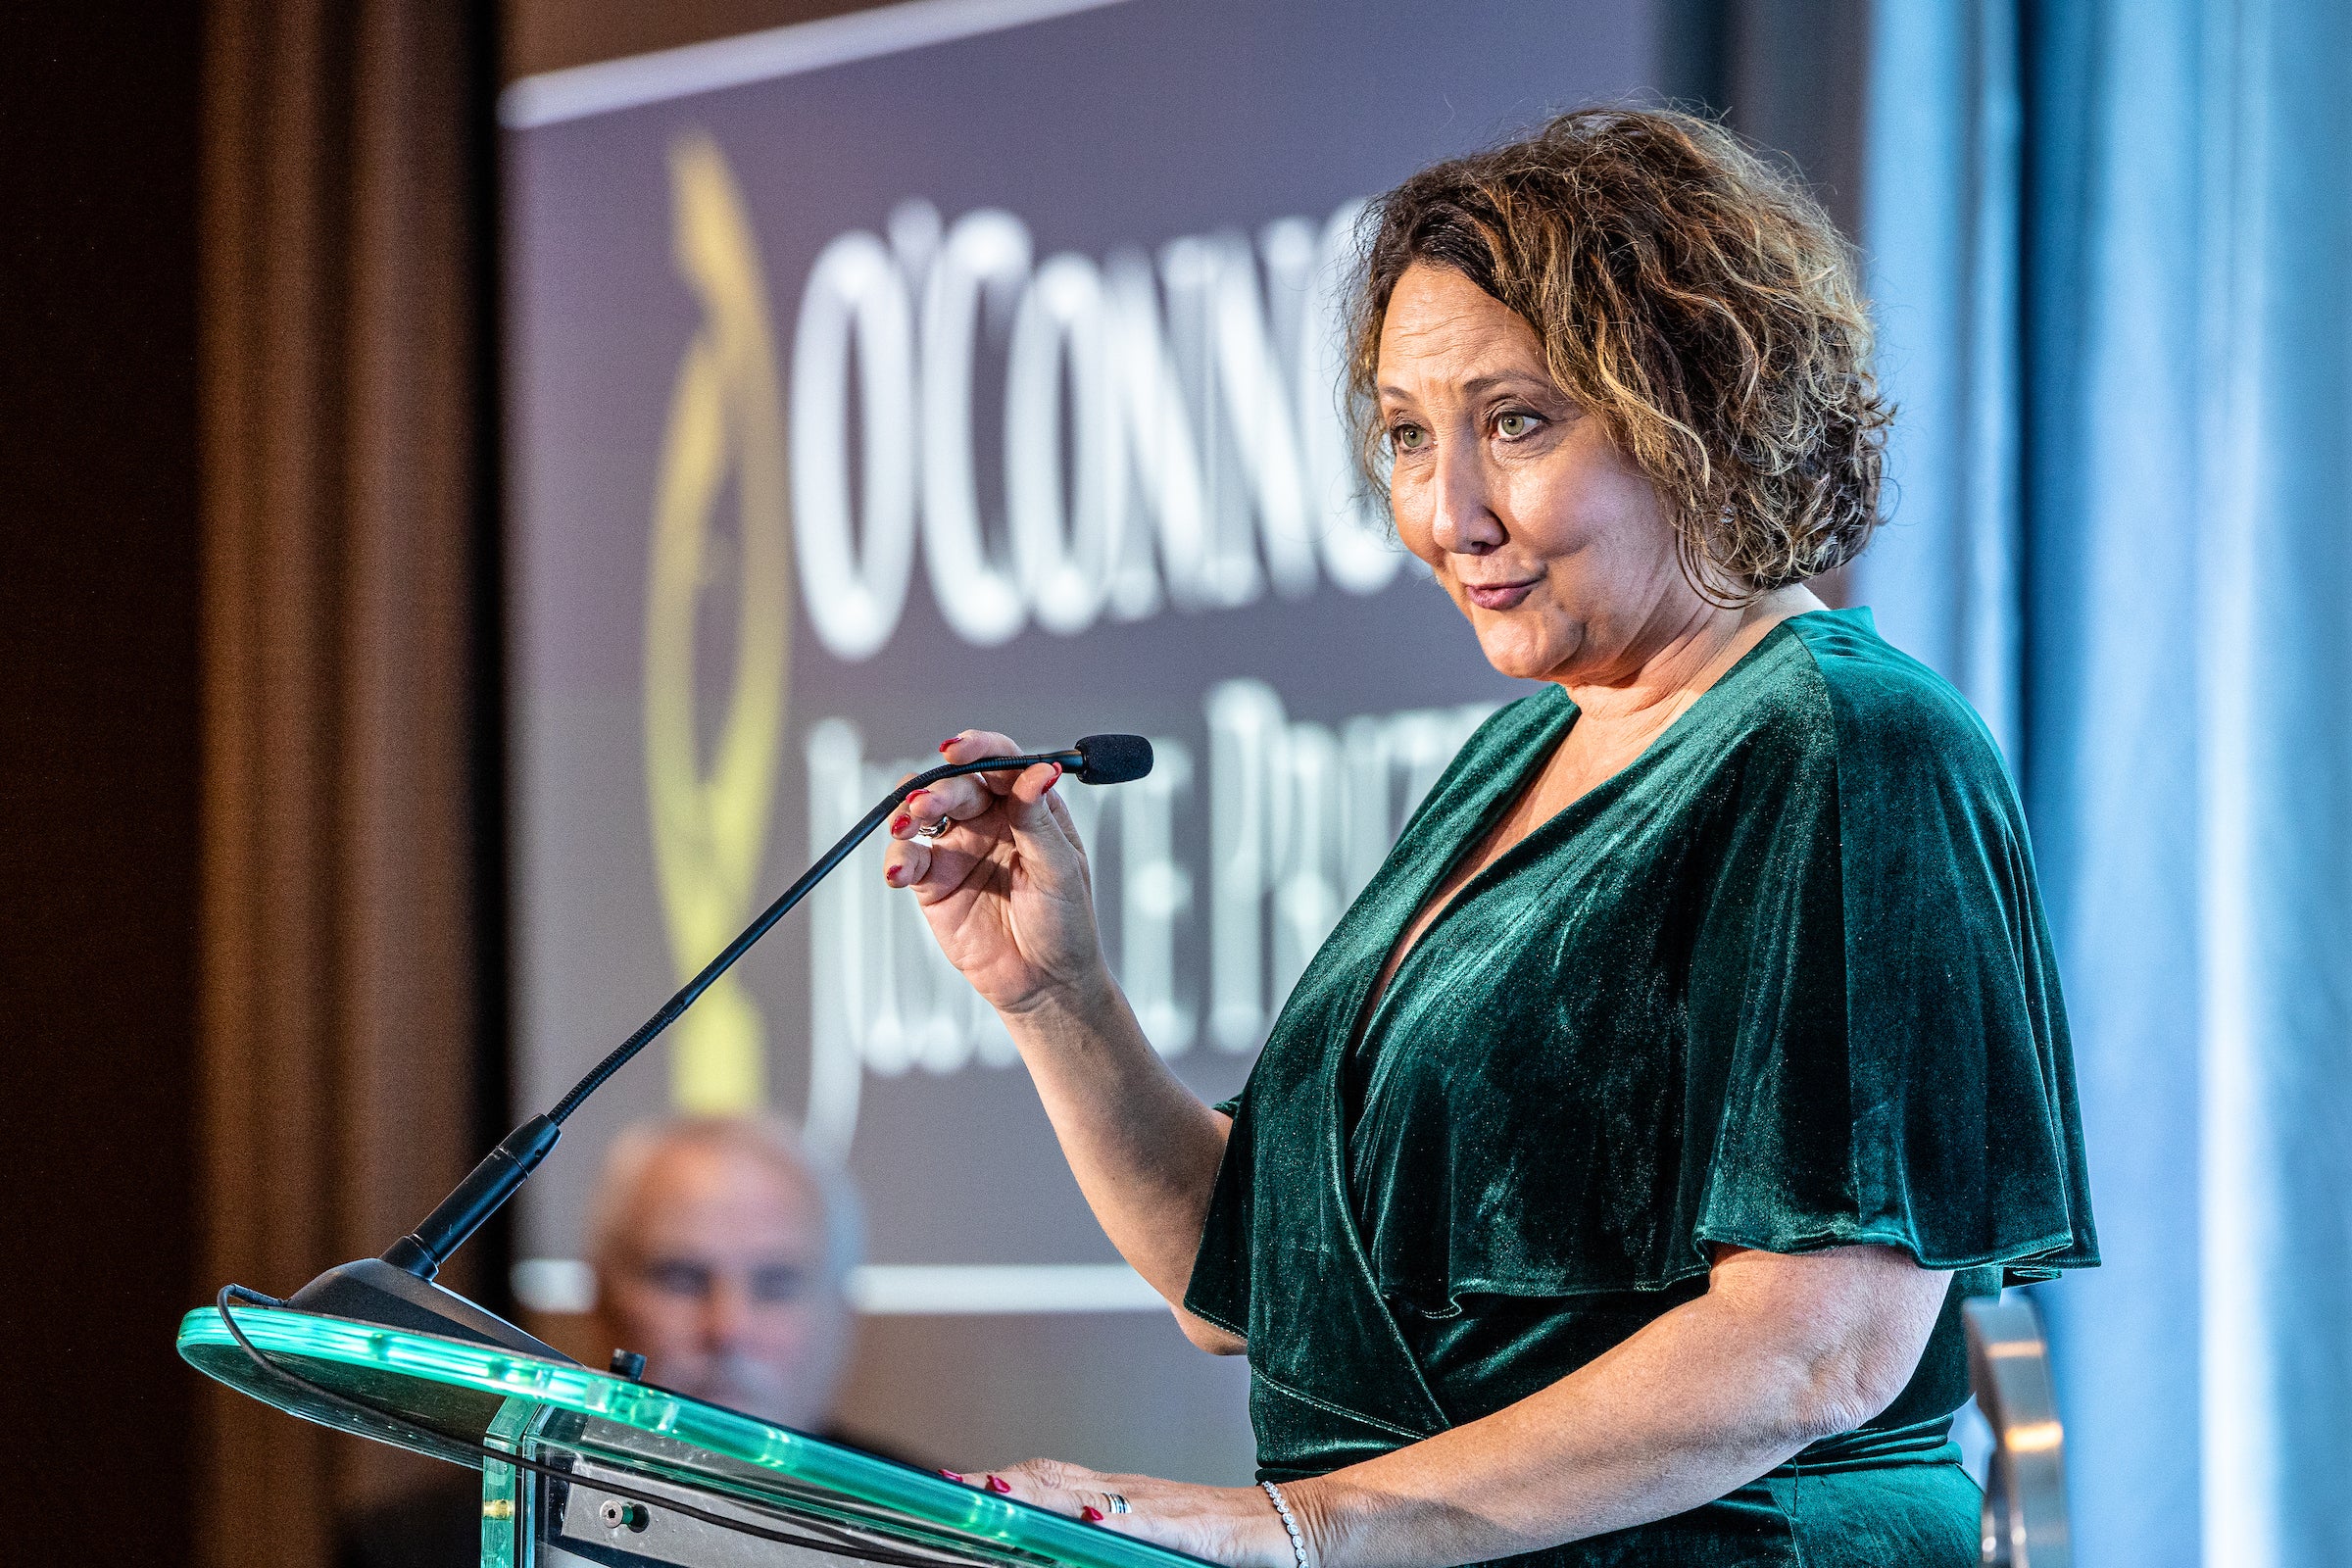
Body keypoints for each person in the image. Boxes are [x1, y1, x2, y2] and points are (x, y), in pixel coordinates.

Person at [882, 108, 2096, 1566]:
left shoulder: (1849, 744)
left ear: (1699, 407)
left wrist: (1301, 1528)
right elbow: (1254, 1294)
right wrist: (1055, 999)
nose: (1447, 512)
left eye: (1517, 422)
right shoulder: (1518, 750)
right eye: (1407, 434)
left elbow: (1817, 1348)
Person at [340, 1115, 860, 1568]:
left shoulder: (937, 1536)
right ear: (603, 1296)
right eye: (681, 1278)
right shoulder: (416, 1548)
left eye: (775, 1286)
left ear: (839, 1309)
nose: (727, 1328)